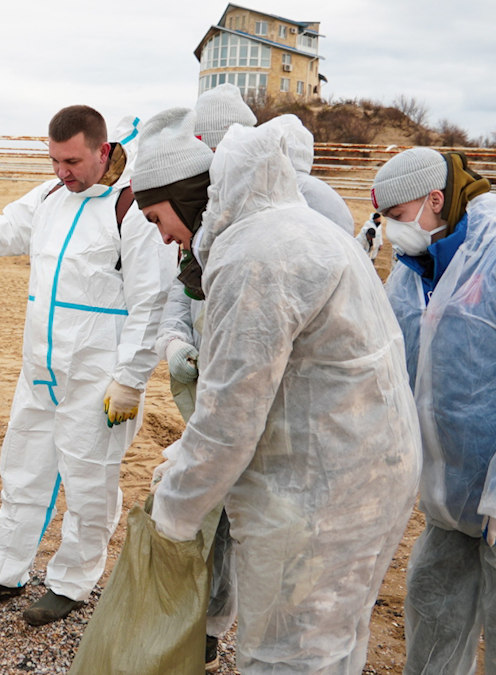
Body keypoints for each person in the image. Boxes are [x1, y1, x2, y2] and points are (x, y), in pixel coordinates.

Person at [138, 108, 420, 672]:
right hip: (366, 475)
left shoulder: (255, 256)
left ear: (184, 197)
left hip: (320, 494)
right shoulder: (295, 226)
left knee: (285, 656)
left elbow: (230, 418)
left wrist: (171, 514)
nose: (164, 236)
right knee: (334, 641)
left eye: (157, 217)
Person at [0, 105, 174, 625]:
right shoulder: (51, 197)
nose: (61, 171)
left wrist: (130, 381)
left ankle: (71, 583)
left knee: (90, 483)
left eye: (71, 161)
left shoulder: (132, 210)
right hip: (42, 371)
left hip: (99, 381)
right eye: (53, 160)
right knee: (23, 470)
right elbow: (4, 230)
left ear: (103, 150)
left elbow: (152, 302)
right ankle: (3, 570)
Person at [370, 147, 496, 675]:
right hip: (448, 498)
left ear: (435, 200)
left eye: (398, 218)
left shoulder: (490, 255)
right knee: (433, 614)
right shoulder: (410, 271)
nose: (394, 233)